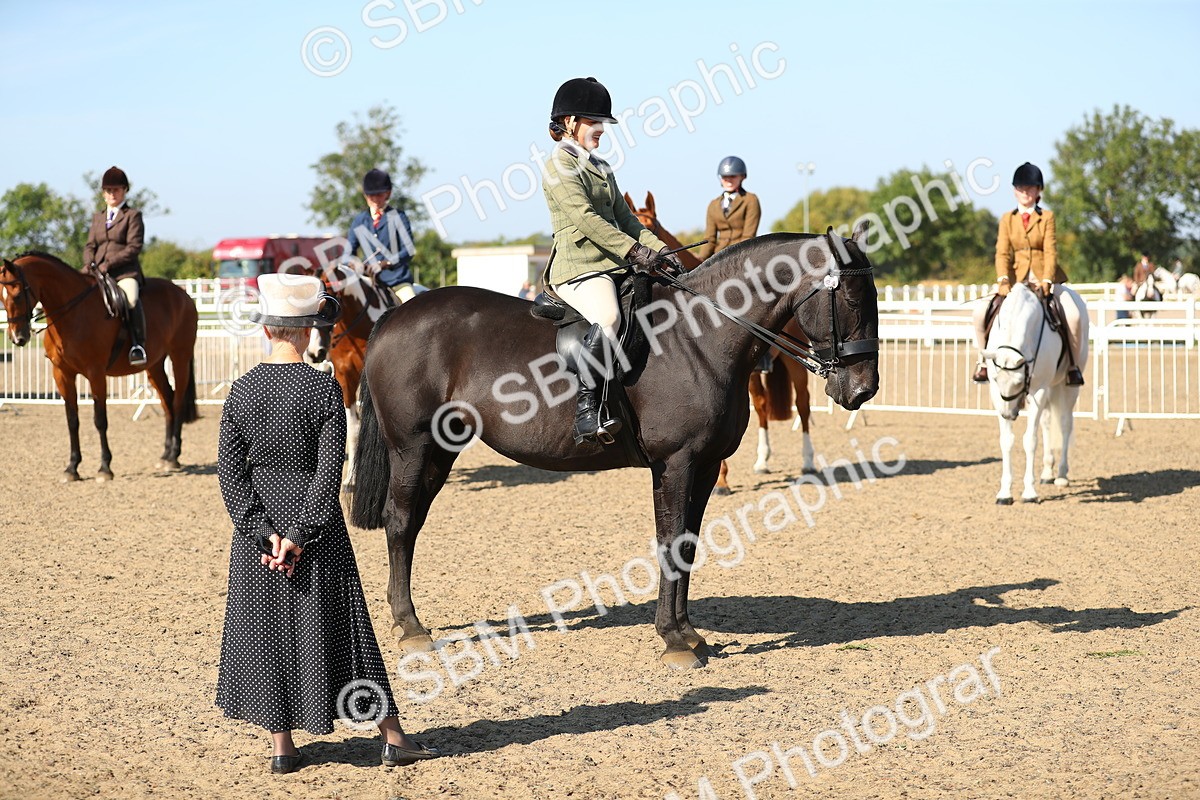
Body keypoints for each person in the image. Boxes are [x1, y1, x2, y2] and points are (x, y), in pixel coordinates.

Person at [216, 274, 438, 774]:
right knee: (348, 632)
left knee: (269, 630)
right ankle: (393, 737)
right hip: (315, 523)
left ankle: (283, 749)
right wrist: (297, 535)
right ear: (307, 331)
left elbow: (230, 474)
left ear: (268, 330)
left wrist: (263, 533)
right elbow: (330, 469)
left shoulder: (241, 391)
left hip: (259, 530)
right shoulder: (323, 387)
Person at [542, 76, 680, 444]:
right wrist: (635, 252)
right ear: (570, 123)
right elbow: (586, 218)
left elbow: (628, 219)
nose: (601, 129)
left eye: (602, 123)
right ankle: (588, 407)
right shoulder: (559, 167)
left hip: (612, 263)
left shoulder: (602, 167)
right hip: (579, 267)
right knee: (609, 316)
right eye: (593, 122)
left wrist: (660, 249)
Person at [972, 162, 1084, 387]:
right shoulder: (1007, 219)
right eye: (1021, 188)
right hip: (1015, 280)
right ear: (1015, 191)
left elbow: (1051, 250)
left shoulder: (1047, 217)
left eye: (1030, 188)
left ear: (1038, 190)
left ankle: (1072, 366)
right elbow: (1002, 252)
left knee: (1073, 315)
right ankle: (983, 362)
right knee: (980, 311)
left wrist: (1047, 279)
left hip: (1044, 278)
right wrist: (1003, 278)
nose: (1025, 192)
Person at [82, 166, 147, 366]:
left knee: (131, 299)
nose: (112, 194)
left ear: (125, 190)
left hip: (124, 272)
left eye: (116, 190)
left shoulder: (132, 216)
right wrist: (90, 263)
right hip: (96, 271)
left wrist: (108, 264)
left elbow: (134, 247)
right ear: (103, 193)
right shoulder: (98, 217)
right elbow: (90, 245)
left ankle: (138, 345)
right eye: (108, 190)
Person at [347, 169, 417, 302]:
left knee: (412, 303)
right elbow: (348, 252)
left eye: (379, 195)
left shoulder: (399, 217)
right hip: (368, 280)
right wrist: (355, 264)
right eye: (370, 196)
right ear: (365, 196)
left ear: (388, 193)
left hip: (396, 280)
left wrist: (386, 263)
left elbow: (408, 250)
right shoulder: (359, 220)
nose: (375, 199)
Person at [695, 156, 762, 262]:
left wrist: (735, 257)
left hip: (742, 255)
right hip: (718, 256)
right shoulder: (713, 205)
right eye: (725, 177)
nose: (729, 181)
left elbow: (748, 235)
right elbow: (710, 238)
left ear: (742, 177)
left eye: (733, 176)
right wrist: (700, 258)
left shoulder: (750, 200)